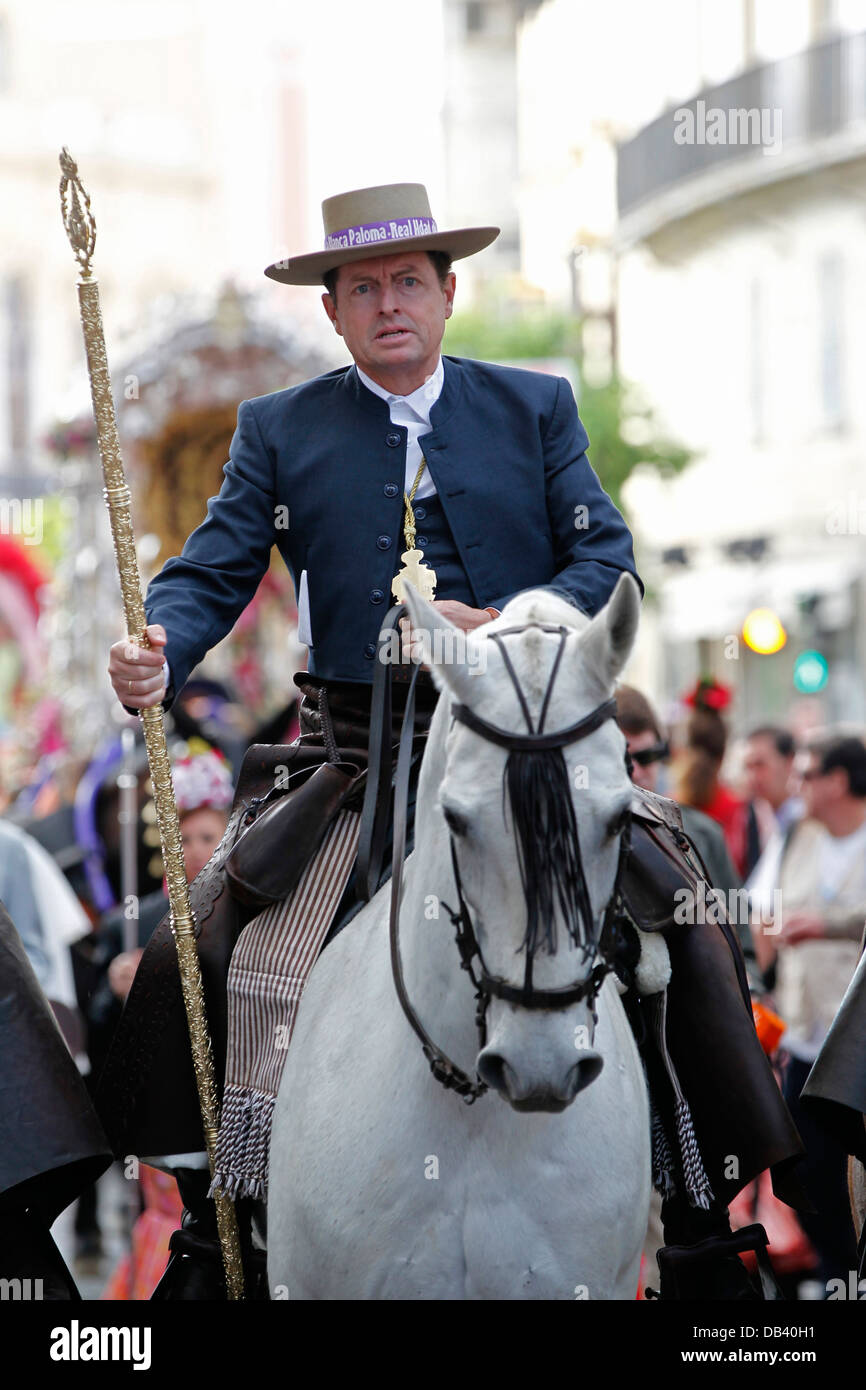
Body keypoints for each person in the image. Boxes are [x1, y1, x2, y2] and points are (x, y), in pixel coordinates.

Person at [99, 182, 800, 1299]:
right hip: (359, 755)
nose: (389, 305)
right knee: (223, 936)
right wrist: (158, 650)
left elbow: (602, 560)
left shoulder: (534, 408)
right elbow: (214, 569)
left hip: (526, 737)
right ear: (332, 310)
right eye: (364, 287)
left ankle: (705, 1214)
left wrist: (515, 624)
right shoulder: (280, 430)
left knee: (681, 906)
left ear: (447, 292)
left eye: (408, 283)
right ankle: (214, 1218)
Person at [751, 733, 866, 1288]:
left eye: (808, 773)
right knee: (804, 1171)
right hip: (802, 1039)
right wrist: (758, 982)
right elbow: (761, 908)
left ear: (839, 781)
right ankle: (834, 1272)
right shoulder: (796, 834)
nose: (798, 785)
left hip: (856, 1047)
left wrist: (829, 926)